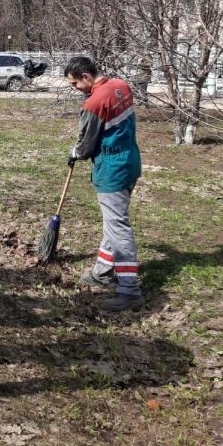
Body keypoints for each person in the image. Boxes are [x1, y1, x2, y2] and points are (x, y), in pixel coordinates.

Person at [65, 56, 143, 311]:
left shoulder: (94, 102)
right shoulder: (121, 86)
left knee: (118, 226)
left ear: (86, 76)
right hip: (131, 160)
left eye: (75, 83)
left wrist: (75, 152)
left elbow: (86, 146)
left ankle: (129, 289)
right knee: (113, 219)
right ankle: (102, 271)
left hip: (113, 169)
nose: (75, 88)